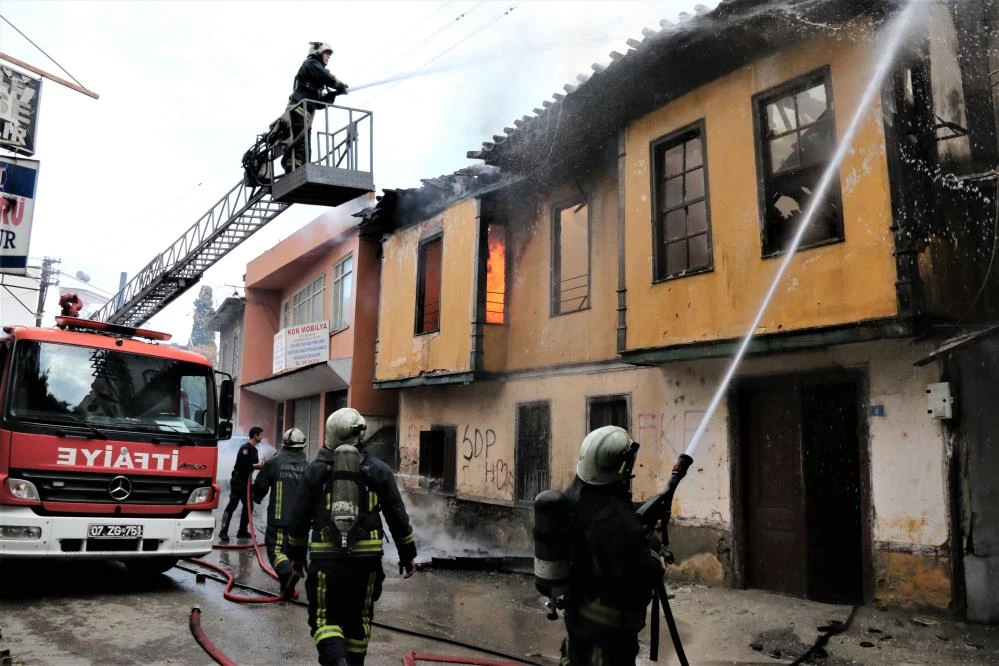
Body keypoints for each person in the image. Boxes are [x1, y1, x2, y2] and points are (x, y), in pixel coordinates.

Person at [287, 408, 416, 666]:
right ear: (360, 435)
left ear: (331, 434)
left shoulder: (315, 471)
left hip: (327, 559)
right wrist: (407, 554)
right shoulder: (378, 470)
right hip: (367, 561)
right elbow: (397, 515)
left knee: (324, 619)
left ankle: (338, 661)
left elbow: (298, 518)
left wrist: (297, 558)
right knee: (359, 619)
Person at [559, 425, 663, 665]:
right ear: (623, 466)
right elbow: (644, 579)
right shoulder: (618, 522)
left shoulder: (575, 499)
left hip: (579, 628)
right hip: (608, 640)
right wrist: (653, 548)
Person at [252, 426, 309, 599]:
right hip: (302, 523)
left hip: (279, 520)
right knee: (293, 552)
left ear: (284, 444)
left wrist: (255, 496)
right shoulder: (308, 467)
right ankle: (287, 587)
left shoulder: (274, 463)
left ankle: (288, 572)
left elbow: (260, 487)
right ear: (302, 445)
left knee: (276, 552)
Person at [282, 41, 349, 173]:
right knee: (300, 144)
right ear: (317, 52)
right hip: (297, 111)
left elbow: (317, 103)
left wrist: (332, 96)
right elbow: (325, 76)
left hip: (303, 115)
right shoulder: (310, 64)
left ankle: (300, 169)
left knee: (305, 146)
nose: (328, 56)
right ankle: (295, 170)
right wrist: (339, 85)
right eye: (326, 53)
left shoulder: (313, 80)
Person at [218, 426, 263, 543]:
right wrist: (256, 466)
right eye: (260, 435)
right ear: (255, 436)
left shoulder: (255, 450)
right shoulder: (245, 448)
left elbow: (254, 466)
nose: (262, 437)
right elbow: (243, 466)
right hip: (238, 480)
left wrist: (262, 465)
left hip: (247, 482)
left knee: (248, 507)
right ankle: (223, 531)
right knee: (232, 505)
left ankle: (242, 531)